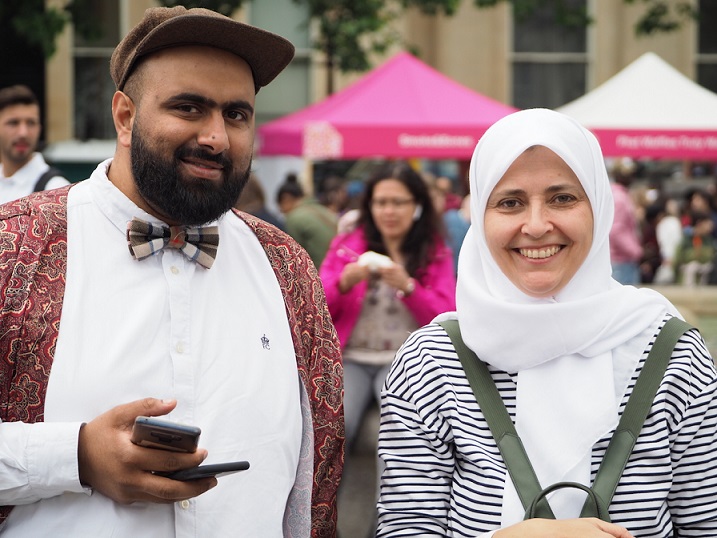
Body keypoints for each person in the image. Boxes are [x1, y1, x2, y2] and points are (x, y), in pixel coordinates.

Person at [0, 7, 343, 537]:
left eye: (237, 114)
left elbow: (314, 484)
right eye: (189, 107)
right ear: (124, 116)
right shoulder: (14, 247)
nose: (217, 138)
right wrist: (75, 456)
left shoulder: (286, 267)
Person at [377, 109, 717, 537]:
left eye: (562, 198)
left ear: (599, 206)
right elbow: (404, 527)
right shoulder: (432, 362)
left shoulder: (673, 354)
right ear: (479, 216)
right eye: (510, 202)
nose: (536, 226)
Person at [320, 161, 455, 455]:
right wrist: (343, 282)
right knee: (337, 428)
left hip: (405, 360)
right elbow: (316, 303)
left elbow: (448, 315)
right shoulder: (348, 245)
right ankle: (325, 502)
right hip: (352, 357)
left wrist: (409, 287)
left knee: (399, 431)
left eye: (398, 202)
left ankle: (392, 502)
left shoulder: (434, 250)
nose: (388, 211)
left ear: (416, 205)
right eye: (381, 202)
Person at [0, 84, 69, 202]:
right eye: (13, 123)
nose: (23, 133)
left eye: (31, 123)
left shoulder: (55, 191)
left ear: (39, 128)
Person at [277, 172, 338, 268]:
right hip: (336, 269)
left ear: (286, 199)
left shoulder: (294, 217)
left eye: (281, 208)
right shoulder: (322, 209)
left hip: (319, 274)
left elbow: (292, 258)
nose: (282, 212)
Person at [608, 157, 643, 284]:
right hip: (621, 261)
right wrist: (635, 251)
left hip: (620, 260)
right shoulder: (620, 199)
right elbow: (616, 230)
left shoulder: (618, 195)